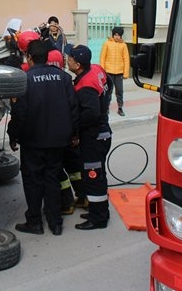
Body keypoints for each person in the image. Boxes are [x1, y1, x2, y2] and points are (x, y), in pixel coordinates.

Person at [8, 40, 78, 236]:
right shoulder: (63, 78)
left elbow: (19, 114)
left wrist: (13, 137)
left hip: (33, 141)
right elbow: (74, 109)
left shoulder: (25, 79)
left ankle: (35, 222)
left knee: (32, 181)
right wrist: (74, 134)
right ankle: (55, 223)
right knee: (52, 179)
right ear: (47, 57)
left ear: (29, 57)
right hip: (58, 141)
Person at [66, 45, 113, 230]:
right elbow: (108, 84)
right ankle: (98, 210)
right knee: (98, 175)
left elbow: (91, 113)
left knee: (93, 176)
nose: (66, 61)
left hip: (94, 137)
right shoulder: (96, 69)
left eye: (69, 59)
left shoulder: (85, 86)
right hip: (102, 132)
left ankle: (98, 218)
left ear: (77, 64)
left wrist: (75, 127)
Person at [99, 26, 130, 115]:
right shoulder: (107, 44)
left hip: (119, 72)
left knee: (119, 91)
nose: (117, 37)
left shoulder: (124, 45)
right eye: (115, 35)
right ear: (113, 35)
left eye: (118, 35)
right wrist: (102, 71)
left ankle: (120, 108)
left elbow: (126, 59)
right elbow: (102, 58)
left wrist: (126, 73)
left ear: (121, 36)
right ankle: (106, 107)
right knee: (108, 91)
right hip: (108, 71)